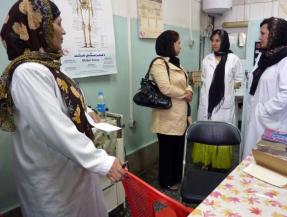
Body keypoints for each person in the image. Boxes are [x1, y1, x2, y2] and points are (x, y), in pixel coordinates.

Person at [0, 1, 126, 216]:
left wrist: (88, 113)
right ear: (39, 29)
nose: (64, 30)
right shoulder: (27, 72)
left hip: (70, 174)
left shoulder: (47, 67)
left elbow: (63, 107)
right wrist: (102, 161)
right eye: (58, 23)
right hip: (53, 181)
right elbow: (55, 127)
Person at [243, 17, 287, 158]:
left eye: (263, 33)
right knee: (250, 164)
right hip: (257, 119)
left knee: (269, 167)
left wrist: (264, 109)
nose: (259, 37)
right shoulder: (263, 56)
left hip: (274, 123)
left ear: (275, 34)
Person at [194, 29, 243, 169]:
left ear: (224, 41)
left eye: (217, 40)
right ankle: (207, 161)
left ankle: (220, 163)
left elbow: (239, 81)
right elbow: (204, 79)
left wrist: (229, 93)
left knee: (221, 134)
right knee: (208, 133)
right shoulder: (206, 59)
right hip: (207, 104)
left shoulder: (234, 60)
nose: (214, 44)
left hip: (224, 104)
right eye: (212, 40)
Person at [150, 30, 193, 191]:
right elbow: (165, 88)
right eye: (178, 43)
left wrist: (189, 91)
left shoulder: (176, 63)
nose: (180, 46)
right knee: (167, 151)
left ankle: (176, 177)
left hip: (180, 114)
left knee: (178, 148)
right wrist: (184, 94)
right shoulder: (159, 64)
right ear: (170, 45)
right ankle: (165, 181)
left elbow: (186, 81)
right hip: (167, 116)